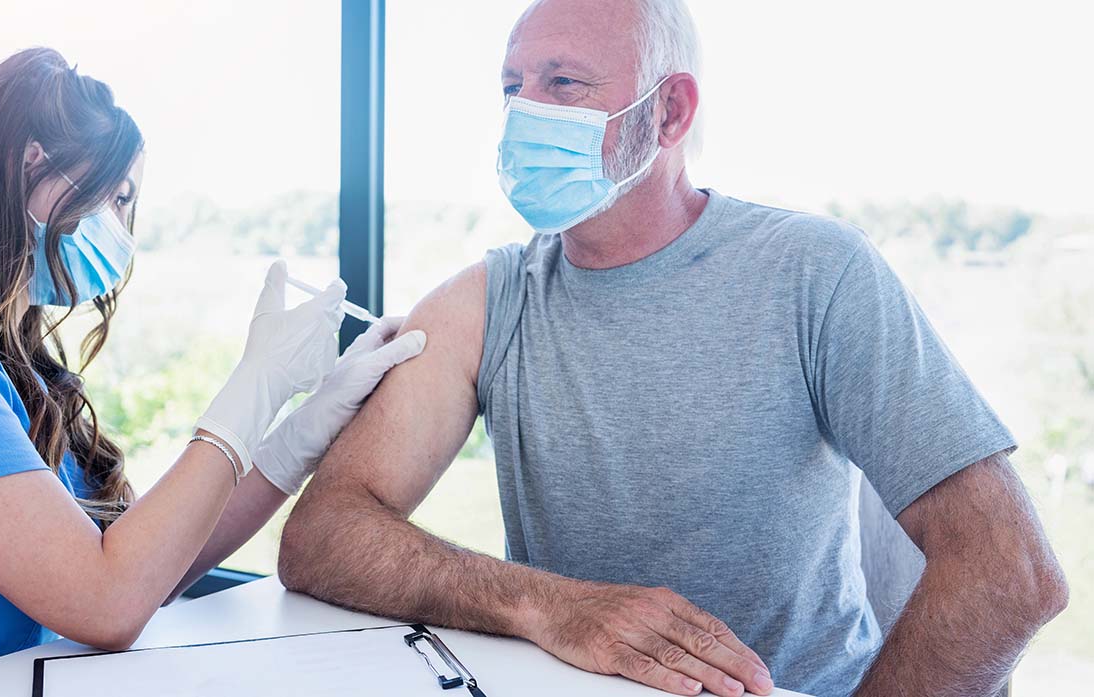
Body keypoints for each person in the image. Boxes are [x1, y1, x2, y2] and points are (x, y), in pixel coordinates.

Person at [275, 1, 1069, 696]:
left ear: (669, 113)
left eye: (563, 84)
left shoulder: (815, 272)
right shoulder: (490, 301)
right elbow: (324, 535)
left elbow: (1011, 572)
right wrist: (550, 605)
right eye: (512, 87)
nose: (523, 114)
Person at [0, 48, 425, 695]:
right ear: (29, 165)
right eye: (117, 197)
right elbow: (108, 599)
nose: (123, 228)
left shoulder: (1, 356)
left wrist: (303, 429)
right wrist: (256, 381)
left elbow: (148, 563)